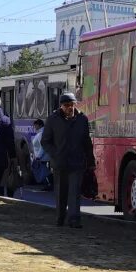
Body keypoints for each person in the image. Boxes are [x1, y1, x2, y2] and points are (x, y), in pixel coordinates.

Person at [41, 92, 93, 227]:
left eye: (72, 104)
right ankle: (60, 217)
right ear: (61, 106)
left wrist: (90, 160)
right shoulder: (53, 119)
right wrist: (55, 153)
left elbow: (87, 141)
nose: (69, 107)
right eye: (66, 105)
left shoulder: (82, 119)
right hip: (60, 163)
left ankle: (74, 219)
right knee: (61, 192)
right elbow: (45, 141)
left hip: (77, 162)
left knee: (74, 192)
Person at [28, 118, 50, 189]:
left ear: (39, 125)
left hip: (41, 157)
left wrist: (39, 156)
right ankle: (47, 184)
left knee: (43, 171)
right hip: (40, 156)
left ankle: (48, 184)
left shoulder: (41, 134)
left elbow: (42, 146)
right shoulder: (40, 133)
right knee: (43, 171)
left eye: (35, 125)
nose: (34, 127)